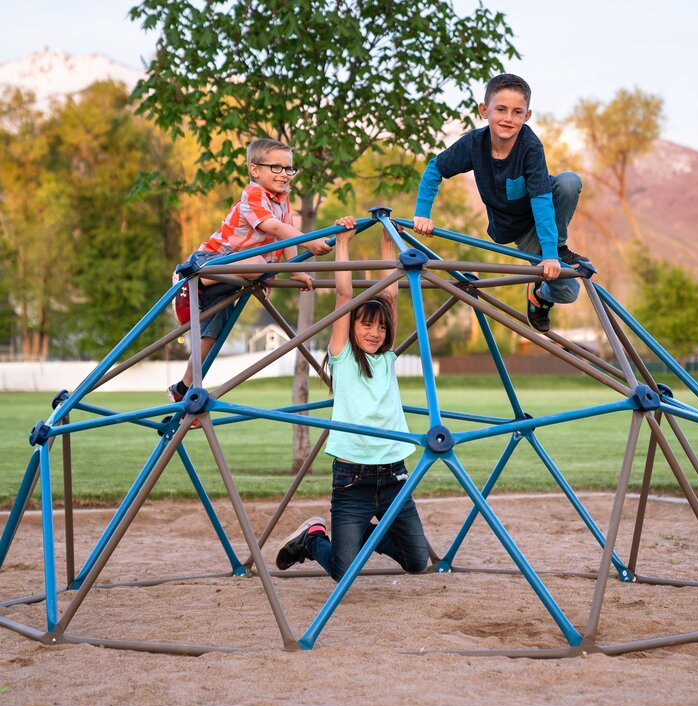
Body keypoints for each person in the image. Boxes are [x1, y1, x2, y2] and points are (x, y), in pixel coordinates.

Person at [276, 216, 429, 582]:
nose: (374, 333)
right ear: (352, 327)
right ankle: (313, 541)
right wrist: (342, 243)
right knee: (344, 571)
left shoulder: (388, 358)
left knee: (417, 561)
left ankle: (363, 535)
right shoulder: (342, 357)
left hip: (394, 475)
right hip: (352, 480)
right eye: (366, 324)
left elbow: (390, 291)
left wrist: (388, 239)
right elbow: (344, 297)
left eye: (380, 326)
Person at [413, 73, 588, 333]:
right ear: (484, 110)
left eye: (517, 112)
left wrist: (551, 254)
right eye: (501, 109)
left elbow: (541, 199)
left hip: (544, 217)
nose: (508, 118)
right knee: (570, 291)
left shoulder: (530, 147)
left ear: (527, 116)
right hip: (517, 229)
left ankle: (546, 281)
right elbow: (434, 168)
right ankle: (540, 290)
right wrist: (422, 214)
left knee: (569, 182)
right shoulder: (474, 144)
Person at [167, 137, 331, 406]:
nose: (284, 175)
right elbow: (276, 229)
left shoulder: (283, 201)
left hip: (241, 274)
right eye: (275, 168)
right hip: (216, 259)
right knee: (258, 264)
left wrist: (295, 271)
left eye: (289, 169)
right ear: (255, 170)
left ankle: (183, 388)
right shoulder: (253, 193)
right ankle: (191, 276)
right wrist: (310, 241)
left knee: (212, 335)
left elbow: (284, 240)